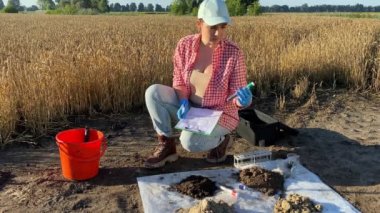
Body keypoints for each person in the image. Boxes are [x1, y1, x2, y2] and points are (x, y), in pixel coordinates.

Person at [144, 0, 252, 168]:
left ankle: (222, 140)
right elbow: (178, 79)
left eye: (223, 27)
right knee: (153, 93)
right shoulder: (184, 45)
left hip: (219, 115)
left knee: (190, 143)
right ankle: (167, 146)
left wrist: (242, 101)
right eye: (213, 27)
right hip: (191, 108)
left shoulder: (233, 53)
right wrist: (182, 100)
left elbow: (236, 93)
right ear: (199, 24)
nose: (218, 33)